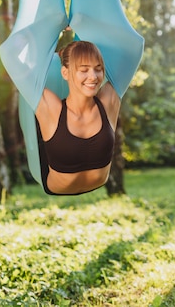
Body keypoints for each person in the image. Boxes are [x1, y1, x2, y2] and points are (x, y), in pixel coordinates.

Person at [35, 40, 120, 195]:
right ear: (65, 73)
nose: (93, 77)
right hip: (53, 182)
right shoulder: (51, 107)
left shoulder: (109, 100)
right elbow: (11, 55)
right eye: (84, 70)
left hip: (97, 183)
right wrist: (57, 21)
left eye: (98, 69)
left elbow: (134, 47)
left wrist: (81, 21)